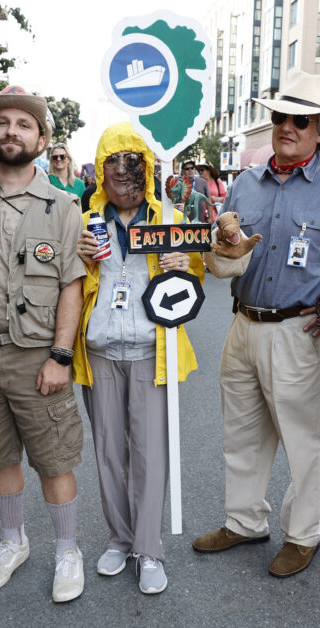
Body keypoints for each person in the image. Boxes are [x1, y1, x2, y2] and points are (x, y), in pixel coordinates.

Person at [191, 70, 320, 577]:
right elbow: (231, 248)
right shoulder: (245, 184)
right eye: (280, 116)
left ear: (319, 129)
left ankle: (303, 535)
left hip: (300, 330)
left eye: (299, 120)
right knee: (241, 433)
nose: (287, 126)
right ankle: (244, 521)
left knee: (303, 440)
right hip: (243, 323)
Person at [0, 86, 87, 603]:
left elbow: (71, 284)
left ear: (42, 138)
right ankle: (13, 543)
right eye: (2, 123)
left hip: (37, 358)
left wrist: (59, 355)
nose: (12, 131)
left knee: (54, 458)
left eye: (24, 124)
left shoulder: (63, 206)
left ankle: (68, 551)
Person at [74, 123, 204, 595]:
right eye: (114, 165)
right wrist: (79, 256)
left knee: (150, 453)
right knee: (109, 451)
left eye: (133, 165)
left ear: (146, 170)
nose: (123, 175)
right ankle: (119, 538)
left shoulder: (167, 217)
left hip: (154, 351)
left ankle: (148, 549)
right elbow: (68, 282)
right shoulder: (85, 222)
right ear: (102, 170)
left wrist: (183, 263)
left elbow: (196, 284)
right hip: (100, 351)